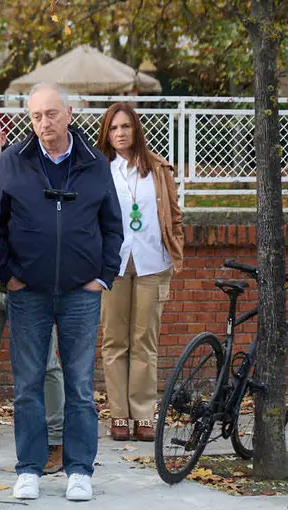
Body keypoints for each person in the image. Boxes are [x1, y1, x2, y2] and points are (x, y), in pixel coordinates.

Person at [0, 83, 122, 503]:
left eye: (50, 114)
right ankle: (29, 467)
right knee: (27, 384)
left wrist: (103, 276)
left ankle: (79, 469)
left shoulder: (95, 162)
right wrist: (7, 274)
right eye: (35, 116)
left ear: (68, 113)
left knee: (80, 386)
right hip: (28, 292)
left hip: (82, 293)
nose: (43, 123)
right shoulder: (13, 161)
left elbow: (112, 224)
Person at [0, 112, 66, 474]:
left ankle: (56, 442)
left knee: (46, 367)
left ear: (1, 136)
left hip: (30, 286)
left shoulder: (27, 169)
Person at [95, 102, 184, 442]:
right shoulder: (99, 169)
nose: (120, 134)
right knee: (115, 341)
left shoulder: (157, 169)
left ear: (136, 130)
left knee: (144, 341)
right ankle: (119, 414)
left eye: (125, 127)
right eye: (114, 128)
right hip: (112, 265)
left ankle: (144, 414)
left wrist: (177, 252)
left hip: (152, 263)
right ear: (107, 133)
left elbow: (174, 215)